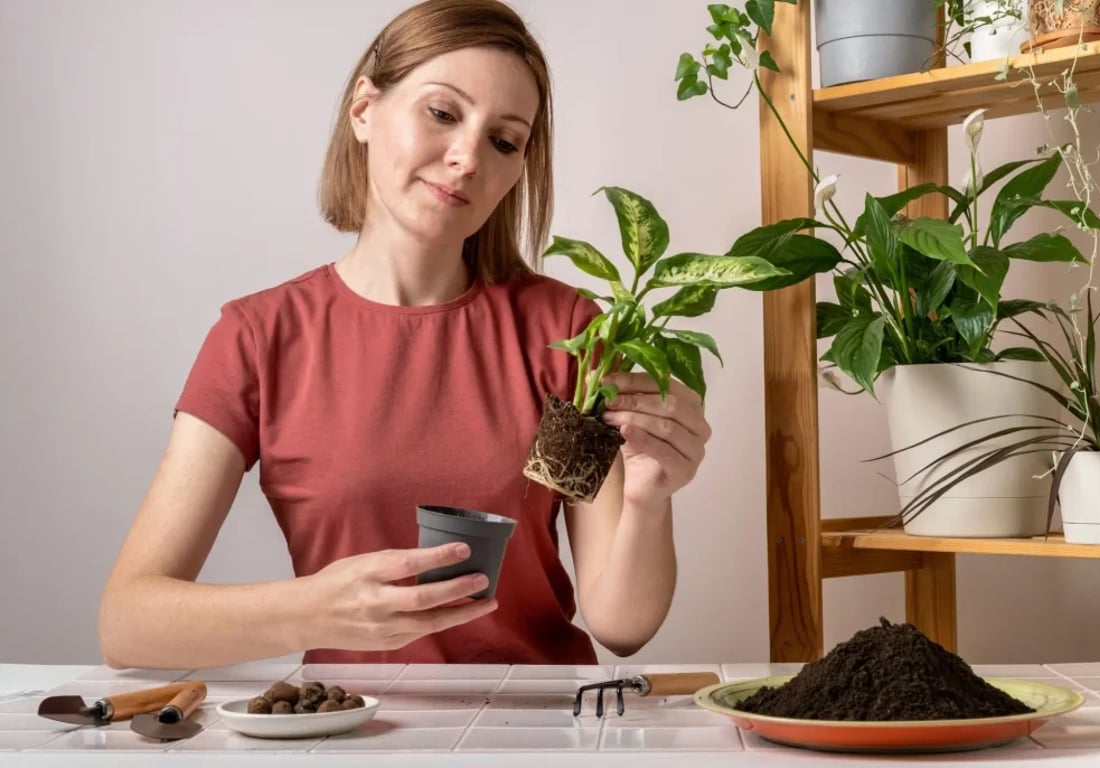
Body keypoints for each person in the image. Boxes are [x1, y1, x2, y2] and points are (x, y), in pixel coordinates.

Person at [98, 0, 711, 669]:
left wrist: (650, 498)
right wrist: (315, 609)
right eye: (443, 113)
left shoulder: (566, 337)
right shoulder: (260, 338)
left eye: (504, 141)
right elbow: (129, 624)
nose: (467, 157)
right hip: (344, 732)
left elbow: (620, 622)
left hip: (532, 732)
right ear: (364, 109)